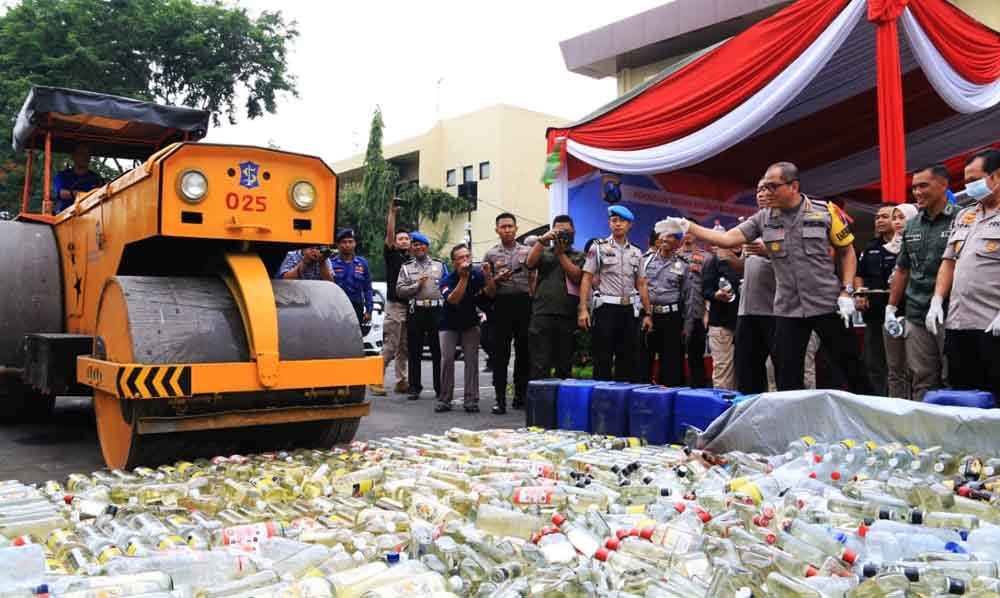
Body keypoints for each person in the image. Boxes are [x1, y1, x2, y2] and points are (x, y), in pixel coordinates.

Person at [658, 162, 873, 394]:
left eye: (772, 186)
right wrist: (687, 225)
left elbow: (847, 250)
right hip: (788, 309)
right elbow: (729, 239)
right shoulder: (763, 218)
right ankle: (793, 424)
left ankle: (872, 413)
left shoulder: (824, 211)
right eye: (763, 187)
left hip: (827, 303)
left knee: (851, 365)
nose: (766, 192)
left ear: (793, 186)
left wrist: (847, 289)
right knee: (786, 374)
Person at [931, 150, 1000, 399]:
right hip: (959, 323)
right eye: (967, 181)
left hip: (992, 324)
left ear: (997, 176)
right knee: (963, 395)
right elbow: (948, 261)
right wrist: (937, 299)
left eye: (975, 180)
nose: (969, 187)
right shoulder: (964, 215)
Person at [886, 164, 958, 401]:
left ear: (943, 185)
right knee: (922, 378)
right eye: (914, 187)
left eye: (923, 186)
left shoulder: (962, 218)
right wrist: (892, 307)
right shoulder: (912, 224)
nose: (917, 192)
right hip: (917, 313)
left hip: (953, 313)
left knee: (953, 377)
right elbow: (903, 268)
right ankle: (924, 435)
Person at [579, 205, 652, 382]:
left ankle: (621, 401)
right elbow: (586, 278)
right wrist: (583, 310)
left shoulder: (636, 252)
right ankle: (601, 402)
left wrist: (648, 313)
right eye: (614, 220)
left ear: (629, 225)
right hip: (606, 309)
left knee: (627, 359)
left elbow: (641, 283)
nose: (617, 224)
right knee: (602, 358)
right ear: (609, 223)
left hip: (628, 310)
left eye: (622, 221)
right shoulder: (598, 248)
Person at [525, 215, 584, 381]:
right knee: (539, 363)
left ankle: (562, 404)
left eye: (566, 231)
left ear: (573, 232)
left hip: (567, 315)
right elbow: (530, 263)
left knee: (564, 365)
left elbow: (577, 277)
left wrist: (561, 255)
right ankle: (539, 405)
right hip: (542, 314)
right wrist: (542, 240)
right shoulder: (543, 252)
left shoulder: (579, 255)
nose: (563, 235)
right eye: (559, 231)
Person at [483, 213, 532, 414]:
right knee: (500, 355)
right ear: (497, 230)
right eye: (503, 227)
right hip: (501, 305)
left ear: (516, 228)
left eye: (510, 226)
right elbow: (488, 291)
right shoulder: (490, 255)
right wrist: (496, 280)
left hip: (524, 304)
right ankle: (500, 400)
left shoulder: (528, 251)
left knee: (524, 353)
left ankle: (520, 396)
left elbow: (535, 278)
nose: (507, 230)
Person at [734, 183, 779, 395]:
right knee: (747, 373)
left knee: (785, 374)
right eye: (759, 190)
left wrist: (769, 251)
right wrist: (726, 256)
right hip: (747, 311)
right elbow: (745, 267)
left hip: (778, 312)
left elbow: (800, 261)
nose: (762, 194)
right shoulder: (751, 228)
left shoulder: (789, 223)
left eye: (768, 189)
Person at [396, 232, 448, 401]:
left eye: (421, 244)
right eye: (415, 245)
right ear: (411, 248)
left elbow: (448, 285)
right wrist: (417, 286)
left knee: (437, 350)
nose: (418, 247)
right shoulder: (406, 267)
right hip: (416, 310)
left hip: (436, 311)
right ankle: (414, 387)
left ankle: (440, 388)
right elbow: (399, 290)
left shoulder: (440, 266)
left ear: (427, 246)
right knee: (414, 350)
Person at [854, 203, 899, 396]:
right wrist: (859, 293)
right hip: (873, 312)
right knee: (874, 361)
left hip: (900, 311)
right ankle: (877, 400)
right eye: (877, 217)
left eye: (885, 217)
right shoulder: (870, 246)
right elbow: (859, 274)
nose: (879, 220)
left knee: (898, 363)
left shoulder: (905, 245)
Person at [436, 244, 486, 414]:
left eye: (467, 257)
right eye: (461, 258)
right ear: (454, 262)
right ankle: (444, 399)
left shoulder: (478, 275)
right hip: (448, 323)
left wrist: (492, 277)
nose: (465, 261)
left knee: (471, 360)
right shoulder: (446, 280)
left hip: (470, 322)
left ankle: (471, 400)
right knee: (448, 359)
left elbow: (489, 293)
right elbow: (454, 300)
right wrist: (464, 278)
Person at [639, 225, 690, 386]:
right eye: (663, 235)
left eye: (671, 236)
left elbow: (686, 294)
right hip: (648, 315)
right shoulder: (645, 260)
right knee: (643, 360)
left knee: (671, 363)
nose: (666, 239)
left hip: (672, 317)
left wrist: (686, 323)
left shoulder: (683, 264)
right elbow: (639, 286)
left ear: (678, 241)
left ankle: (667, 400)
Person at [373, 201, 412, 396]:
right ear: (396, 241)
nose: (404, 241)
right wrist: (392, 214)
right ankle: (375, 379)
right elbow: (389, 235)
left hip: (409, 307)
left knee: (404, 347)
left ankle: (401, 381)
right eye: (401, 238)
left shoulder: (412, 260)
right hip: (395, 306)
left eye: (407, 238)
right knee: (390, 345)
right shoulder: (392, 254)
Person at [881, 203, 918, 399]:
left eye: (902, 217)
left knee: (917, 367)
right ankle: (896, 408)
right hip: (890, 313)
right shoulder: (883, 249)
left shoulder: (919, 245)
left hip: (916, 313)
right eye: (894, 218)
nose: (897, 222)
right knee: (894, 367)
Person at [702, 241, 741, 390]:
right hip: (721, 324)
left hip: (748, 324)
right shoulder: (714, 260)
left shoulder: (752, 257)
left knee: (746, 370)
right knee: (723, 370)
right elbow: (705, 290)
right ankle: (723, 409)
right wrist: (716, 295)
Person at [678, 229, 711, 387]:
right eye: (684, 233)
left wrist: (707, 312)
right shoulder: (674, 256)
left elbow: (709, 287)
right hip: (678, 314)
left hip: (698, 313)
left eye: (691, 232)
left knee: (696, 355)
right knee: (676, 355)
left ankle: (698, 389)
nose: (688, 236)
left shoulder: (706, 258)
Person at [330, 229, 373, 333]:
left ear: (355, 244)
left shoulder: (362, 263)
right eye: (344, 242)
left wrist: (369, 310)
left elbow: (368, 288)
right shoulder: (331, 263)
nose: (347, 245)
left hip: (356, 307)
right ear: (338, 245)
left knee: (355, 338)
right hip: (336, 308)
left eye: (350, 241)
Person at [50, 144, 104, 214]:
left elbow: (103, 194)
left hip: (91, 215)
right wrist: (85, 195)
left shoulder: (96, 178)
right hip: (65, 217)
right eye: (82, 153)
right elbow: (62, 193)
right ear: (73, 156)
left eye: (88, 154)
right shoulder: (62, 176)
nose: (85, 157)